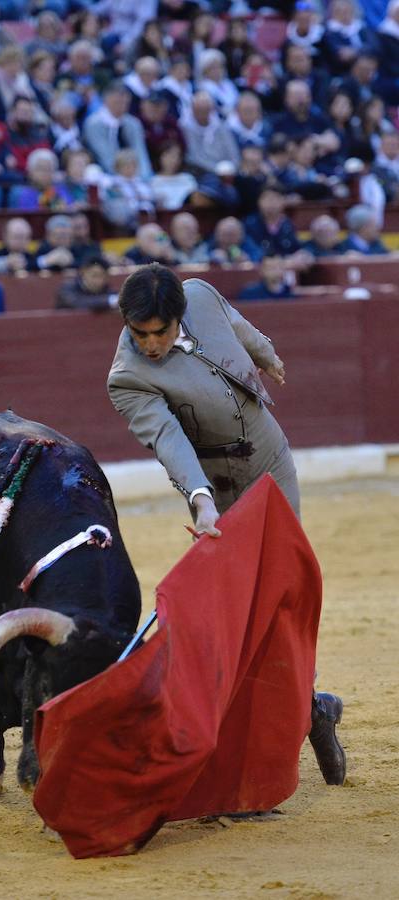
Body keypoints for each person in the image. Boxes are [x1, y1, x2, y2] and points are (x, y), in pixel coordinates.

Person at [106, 263, 346, 786]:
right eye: (138, 333)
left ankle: (304, 706)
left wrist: (266, 353)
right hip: (218, 487)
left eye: (160, 332)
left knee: (282, 590)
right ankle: (306, 711)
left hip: (270, 459)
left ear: (179, 316)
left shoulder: (200, 296)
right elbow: (168, 441)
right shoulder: (128, 378)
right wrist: (201, 501)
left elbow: (236, 325)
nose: (149, 344)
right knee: (239, 611)